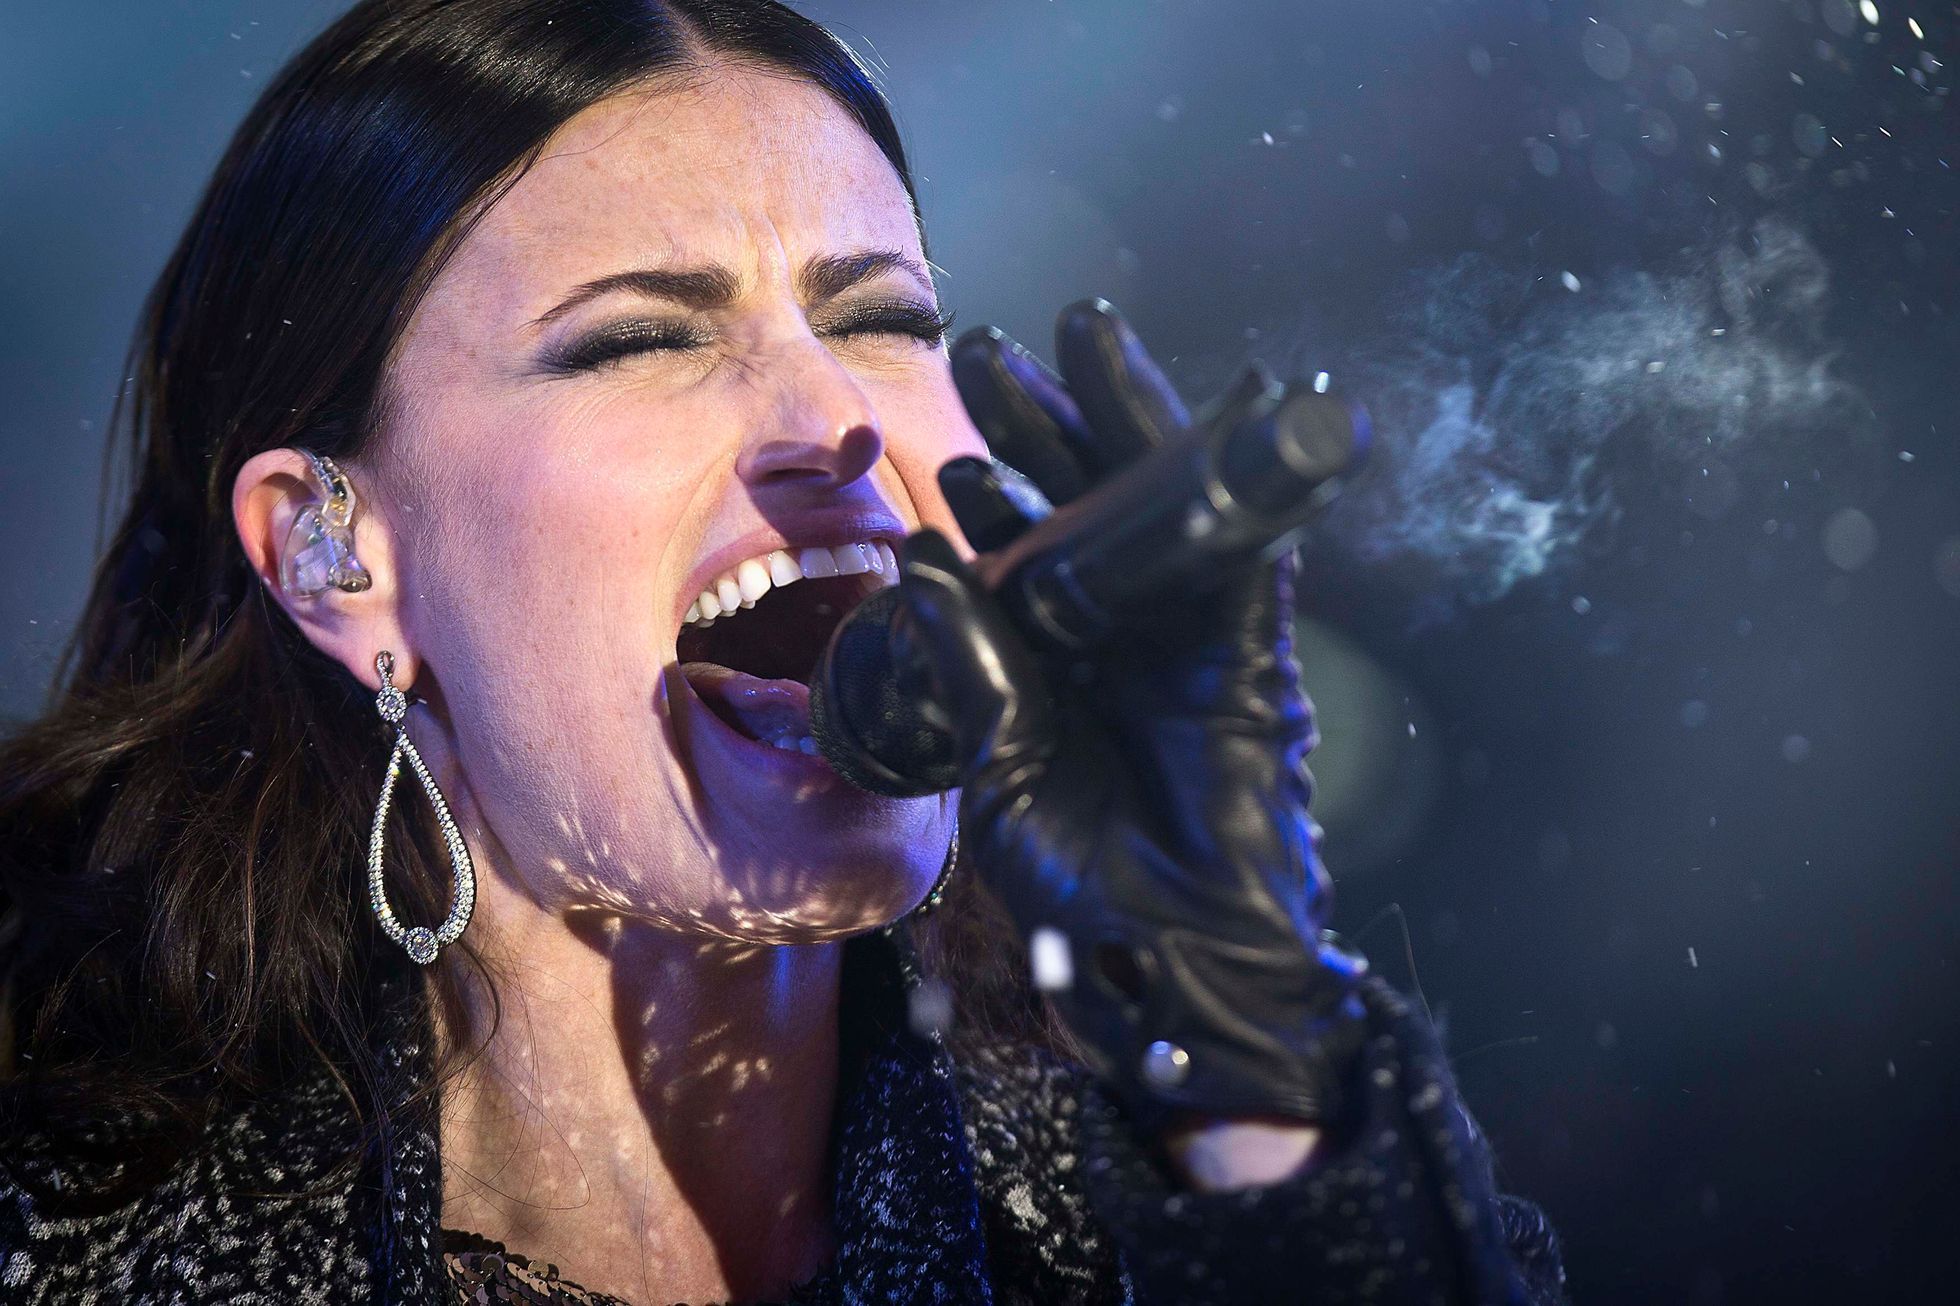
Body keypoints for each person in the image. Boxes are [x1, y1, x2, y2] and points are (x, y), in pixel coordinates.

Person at [0, 2, 1566, 1302]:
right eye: (641, 336)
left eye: (883, 316)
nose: (838, 422)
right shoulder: (64, 1240)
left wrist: (1248, 1060)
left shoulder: (1168, 1204)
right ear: (333, 557)